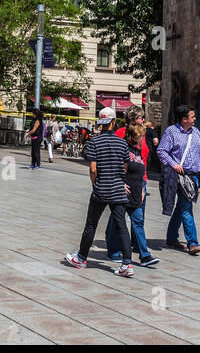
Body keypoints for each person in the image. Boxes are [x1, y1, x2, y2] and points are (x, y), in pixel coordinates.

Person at [65, 108, 135, 277]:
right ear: (113, 122)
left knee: (91, 224)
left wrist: (95, 183)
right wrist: (120, 181)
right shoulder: (122, 143)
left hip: (101, 189)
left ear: (101, 123)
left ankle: (81, 258)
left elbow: (93, 168)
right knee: (122, 226)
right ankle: (127, 264)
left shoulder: (94, 142)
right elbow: (125, 167)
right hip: (118, 189)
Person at [157, 105, 200, 255]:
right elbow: (161, 151)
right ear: (184, 119)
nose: (195, 119)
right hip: (178, 175)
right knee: (186, 207)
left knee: (182, 206)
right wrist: (173, 164)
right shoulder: (171, 132)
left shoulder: (196, 133)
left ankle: (171, 237)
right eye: (192, 117)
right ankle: (192, 242)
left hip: (193, 175)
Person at [107, 110, 158, 267]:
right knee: (117, 218)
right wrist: (119, 182)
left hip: (139, 181)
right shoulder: (121, 134)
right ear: (132, 119)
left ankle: (142, 252)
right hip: (124, 183)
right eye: (140, 117)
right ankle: (114, 248)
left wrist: (143, 184)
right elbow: (115, 161)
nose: (143, 119)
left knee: (138, 219)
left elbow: (143, 157)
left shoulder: (141, 136)